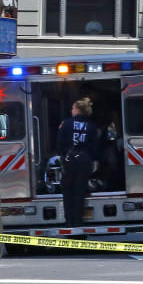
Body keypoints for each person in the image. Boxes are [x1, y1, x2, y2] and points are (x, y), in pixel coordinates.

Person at [57, 97, 99, 226]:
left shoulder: (66, 124)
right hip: (85, 160)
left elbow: (60, 143)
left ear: (77, 110)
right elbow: (95, 146)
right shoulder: (92, 126)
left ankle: (69, 221)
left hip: (70, 161)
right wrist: (95, 160)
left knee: (68, 191)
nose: (71, 110)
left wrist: (62, 155)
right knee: (80, 191)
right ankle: (78, 221)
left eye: (73, 108)